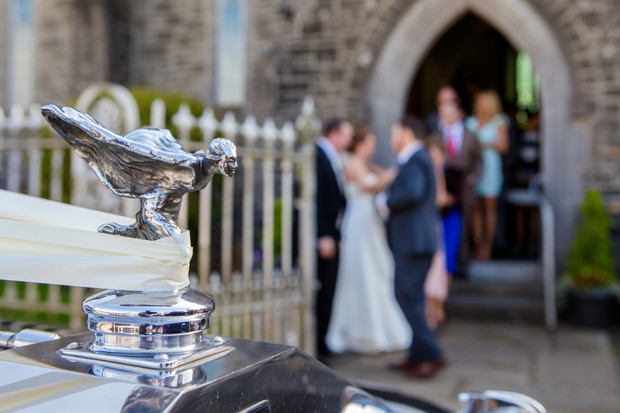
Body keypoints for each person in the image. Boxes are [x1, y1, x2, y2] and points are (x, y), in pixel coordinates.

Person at [326, 127, 411, 354]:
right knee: (362, 270)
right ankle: (361, 332)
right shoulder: (352, 161)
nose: (374, 148)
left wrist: (385, 175)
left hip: (370, 221)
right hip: (359, 221)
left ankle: (381, 328)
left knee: (379, 270)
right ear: (361, 143)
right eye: (371, 143)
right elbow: (367, 185)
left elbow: (375, 177)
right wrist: (393, 175)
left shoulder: (366, 163)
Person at [386, 116, 445, 379]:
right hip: (416, 241)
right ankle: (417, 355)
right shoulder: (416, 158)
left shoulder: (416, 158)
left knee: (404, 294)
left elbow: (413, 192)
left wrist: (386, 201)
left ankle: (432, 352)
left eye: (394, 133)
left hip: (414, 242)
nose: (391, 139)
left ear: (407, 133)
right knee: (413, 297)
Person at [315, 118, 353, 361]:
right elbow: (314, 199)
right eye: (347, 135)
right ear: (335, 133)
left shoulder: (330, 157)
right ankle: (318, 345)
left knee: (328, 292)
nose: (349, 141)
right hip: (325, 236)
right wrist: (323, 234)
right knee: (321, 291)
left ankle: (323, 342)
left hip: (333, 234)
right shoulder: (318, 156)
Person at [466, 90, 509, 261]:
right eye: (479, 103)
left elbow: (504, 147)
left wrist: (486, 143)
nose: (481, 106)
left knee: (490, 208)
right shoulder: (471, 123)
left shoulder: (499, 122)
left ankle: (487, 247)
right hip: (475, 167)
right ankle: (477, 246)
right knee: (475, 208)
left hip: (491, 167)